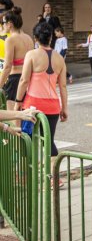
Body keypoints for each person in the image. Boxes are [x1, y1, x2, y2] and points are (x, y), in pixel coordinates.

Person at [14, 22, 68, 188]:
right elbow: (63, 86)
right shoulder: (59, 58)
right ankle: (54, 178)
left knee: (26, 139)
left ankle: (23, 177)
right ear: (51, 38)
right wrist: (64, 108)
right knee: (49, 141)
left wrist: (17, 102)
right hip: (52, 106)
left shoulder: (31, 55)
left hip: (32, 106)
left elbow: (24, 81)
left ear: (36, 38)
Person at [0, 7, 34, 111]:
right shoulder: (29, 38)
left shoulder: (10, 40)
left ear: (10, 24)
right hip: (29, 78)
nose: (3, 24)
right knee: (25, 115)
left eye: (3, 22)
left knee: (14, 119)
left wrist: (0, 84)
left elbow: (7, 66)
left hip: (15, 81)